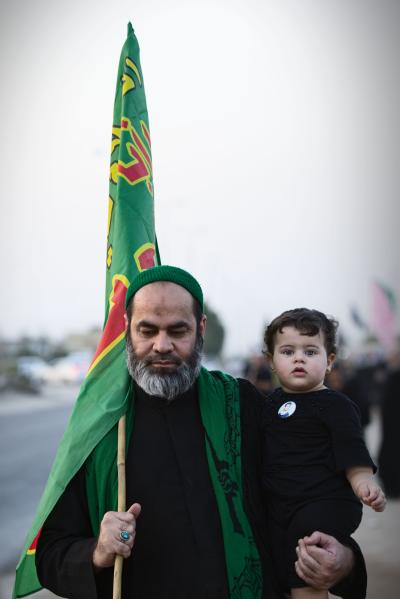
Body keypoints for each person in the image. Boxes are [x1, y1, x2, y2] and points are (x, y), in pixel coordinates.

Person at [36, 268, 369, 599]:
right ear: (127, 329)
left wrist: (344, 561)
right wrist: (98, 551)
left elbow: (309, 495)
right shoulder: (101, 429)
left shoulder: (243, 405)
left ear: (201, 329)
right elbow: (50, 555)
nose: (162, 345)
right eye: (147, 330)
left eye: (177, 330)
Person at [262, 308, 386, 599]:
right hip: (283, 502)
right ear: (272, 361)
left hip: (325, 501)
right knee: (279, 559)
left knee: (306, 555)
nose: (299, 358)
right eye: (288, 351)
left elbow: (352, 449)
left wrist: (363, 484)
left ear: (329, 361)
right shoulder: (268, 404)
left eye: (310, 351)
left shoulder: (336, 405)